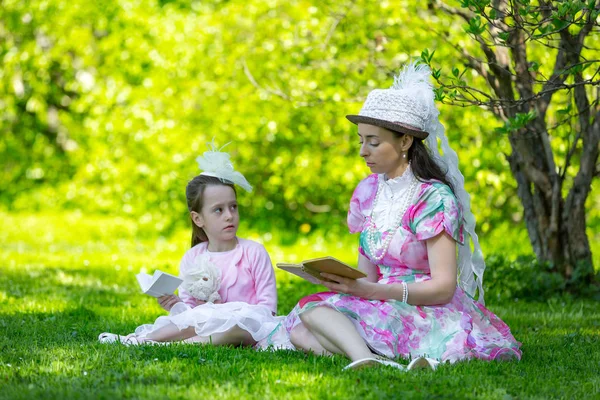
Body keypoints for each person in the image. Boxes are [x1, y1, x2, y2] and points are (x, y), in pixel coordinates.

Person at [258, 61, 522, 370]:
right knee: (307, 316)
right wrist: (343, 281)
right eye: (361, 140)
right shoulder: (369, 192)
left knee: (313, 324)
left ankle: (364, 356)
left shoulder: (433, 197)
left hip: (424, 305)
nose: (363, 151)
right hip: (380, 300)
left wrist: (372, 291)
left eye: (373, 141)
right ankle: (375, 357)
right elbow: (366, 276)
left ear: (405, 141)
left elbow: (443, 287)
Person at [99, 142, 281, 347]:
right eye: (219, 210)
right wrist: (176, 305)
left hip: (246, 328)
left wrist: (223, 312)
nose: (230, 216)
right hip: (204, 324)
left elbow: (268, 309)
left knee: (235, 328)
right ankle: (140, 340)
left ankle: (174, 345)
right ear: (198, 219)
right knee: (196, 320)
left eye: (233, 207)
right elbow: (190, 315)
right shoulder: (193, 258)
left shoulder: (253, 252)